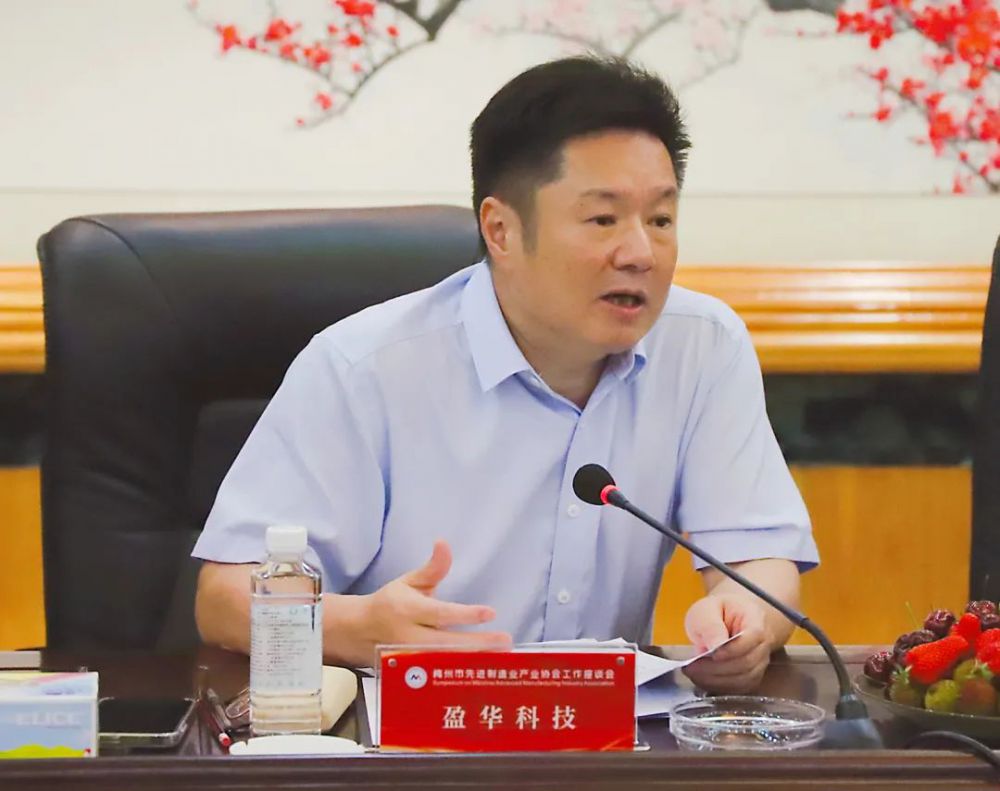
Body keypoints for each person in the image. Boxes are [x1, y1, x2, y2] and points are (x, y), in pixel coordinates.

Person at [193, 55, 818, 694]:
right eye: (603, 220)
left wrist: (745, 620)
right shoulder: (364, 367)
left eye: (660, 220)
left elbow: (757, 556)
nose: (640, 253)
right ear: (501, 230)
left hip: (602, 732)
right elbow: (223, 598)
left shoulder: (702, 346)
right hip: (404, 733)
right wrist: (356, 627)